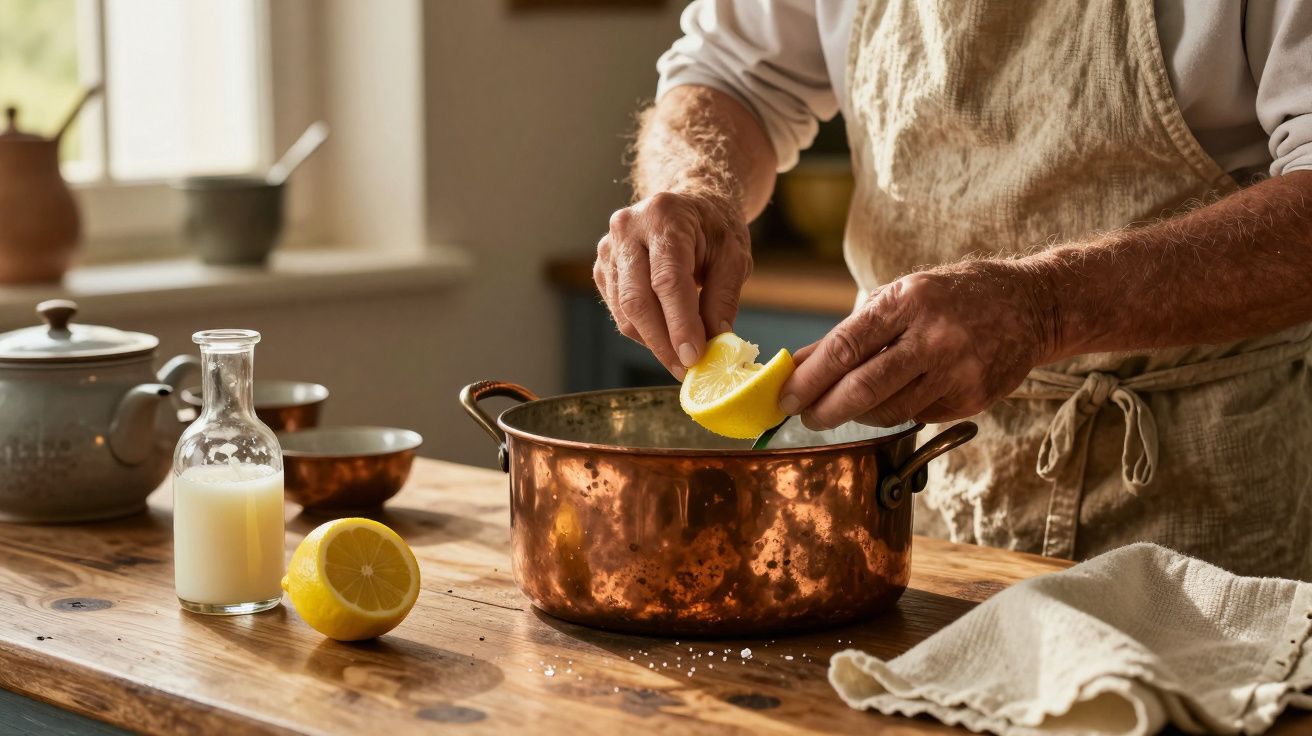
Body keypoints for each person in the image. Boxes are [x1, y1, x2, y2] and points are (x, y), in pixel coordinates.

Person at [592, 0, 1312, 578]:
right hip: (917, 496)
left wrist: (1046, 306)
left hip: (1207, 521)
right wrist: (693, 186)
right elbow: (728, 75)